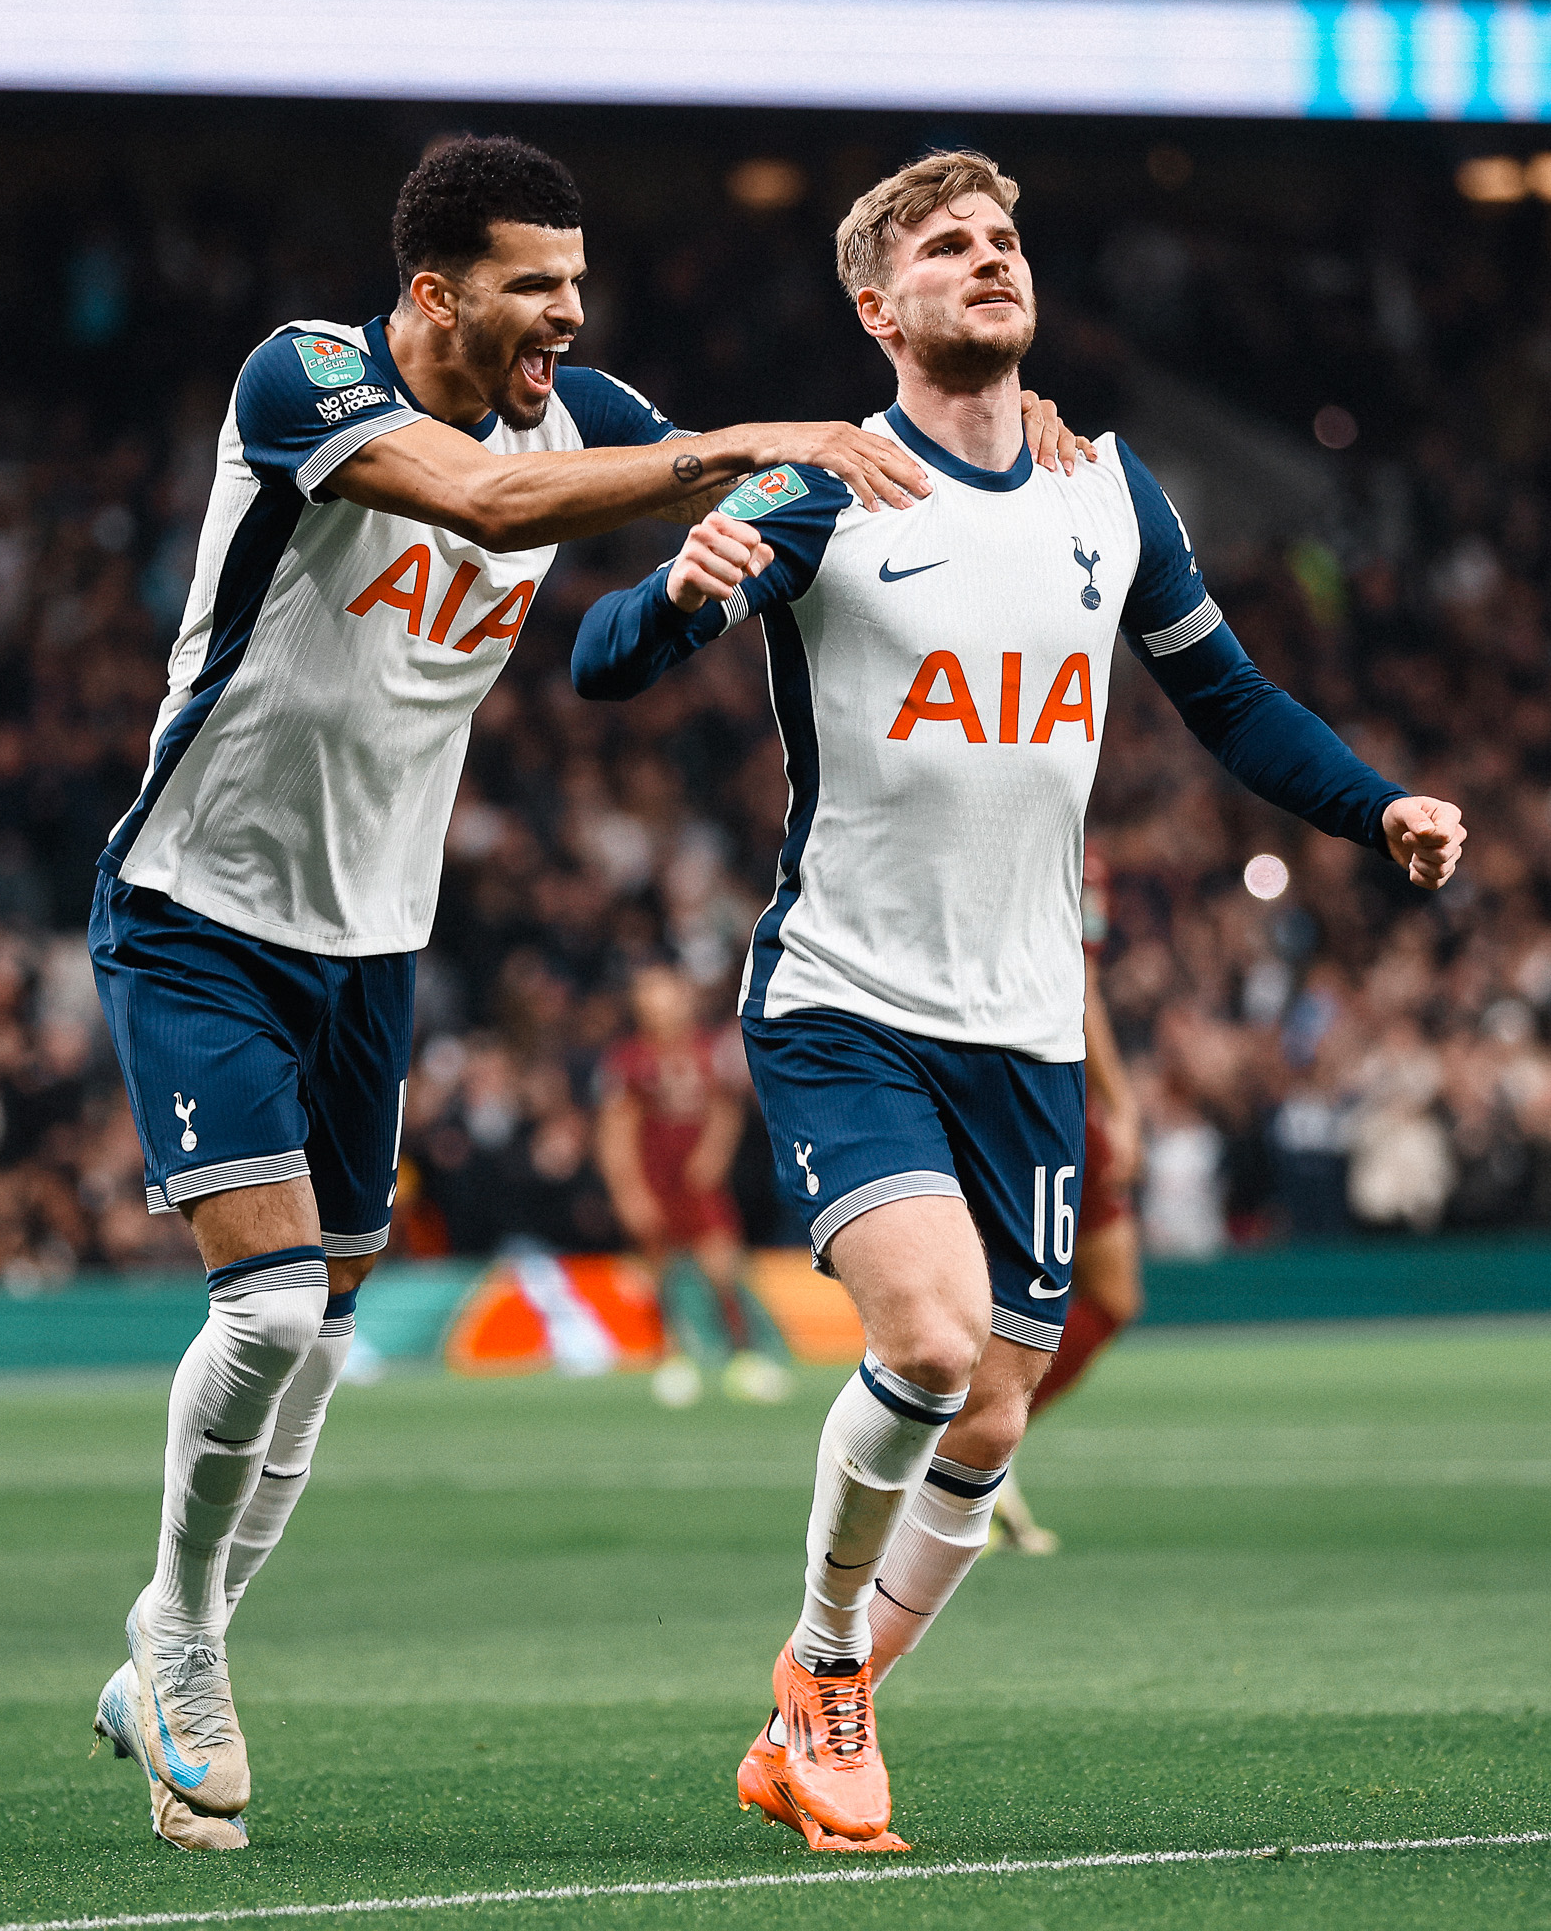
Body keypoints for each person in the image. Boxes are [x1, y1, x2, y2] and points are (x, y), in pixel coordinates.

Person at [83, 132, 1086, 1852]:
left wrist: (1015, 446)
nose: (563, 313)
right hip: (199, 905)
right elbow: (480, 500)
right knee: (259, 1312)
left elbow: (767, 494)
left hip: (373, 939)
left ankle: (184, 1646)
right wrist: (733, 448)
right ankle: (176, 1637)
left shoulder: (589, 412)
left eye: (576, 282)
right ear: (433, 291)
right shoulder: (306, 373)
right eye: (532, 283)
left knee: (316, 1345)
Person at [571, 147, 1465, 1852]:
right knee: (919, 1342)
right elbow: (603, 660)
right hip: (844, 997)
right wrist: (677, 583)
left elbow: (1228, 696)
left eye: (1003, 240)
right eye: (946, 247)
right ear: (874, 306)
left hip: (1027, 1027)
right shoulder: (823, 491)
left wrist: (1375, 806)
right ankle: (827, 1674)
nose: (990, 261)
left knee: (986, 1409)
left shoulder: (1105, 491)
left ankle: (802, 1717)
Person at [990, 847, 1141, 1554]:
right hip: (1026, 1082)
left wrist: (1114, 1101)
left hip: (1049, 1085)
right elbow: (1080, 987)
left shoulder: (1083, 858)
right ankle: (971, 1455)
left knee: (1107, 1293)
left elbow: (1082, 987)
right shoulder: (1064, 854)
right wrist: (1120, 1102)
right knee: (1003, 1295)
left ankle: (983, 1447)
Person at [595, 961, 791, 1407]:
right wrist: (630, 1191)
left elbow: (726, 1109)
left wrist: (713, 1154)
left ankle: (744, 1357)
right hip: (655, 1180)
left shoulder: (706, 1051)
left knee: (723, 1267)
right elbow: (616, 1130)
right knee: (660, 1271)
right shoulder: (630, 1059)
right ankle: (672, 1358)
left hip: (697, 1187)